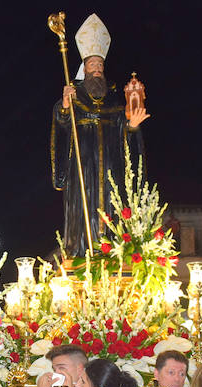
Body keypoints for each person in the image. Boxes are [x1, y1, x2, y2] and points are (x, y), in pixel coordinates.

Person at [51, 13, 149, 255]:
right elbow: (62, 126)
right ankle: (81, 255)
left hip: (111, 169)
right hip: (82, 169)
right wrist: (64, 107)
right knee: (82, 214)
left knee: (113, 209)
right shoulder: (73, 95)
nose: (97, 70)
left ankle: (113, 254)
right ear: (85, 68)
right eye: (92, 65)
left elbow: (124, 130)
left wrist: (133, 125)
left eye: (100, 65)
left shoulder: (115, 98)